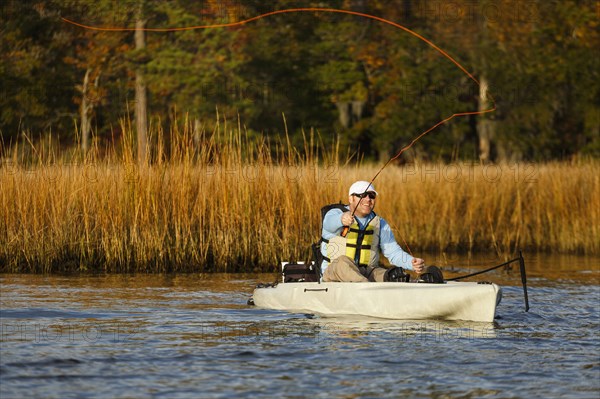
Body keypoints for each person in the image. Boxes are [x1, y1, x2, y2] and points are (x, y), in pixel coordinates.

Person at [320, 180, 426, 282]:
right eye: (362, 195)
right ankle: (368, 288)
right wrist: (342, 219)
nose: (368, 199)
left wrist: (411, 263)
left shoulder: (380, 223)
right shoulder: (334, 214)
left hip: (366, 272)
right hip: (334, 273)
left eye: (371, 196)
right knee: (343, 262)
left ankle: (397, 284)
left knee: (390, 275)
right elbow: (328, 224)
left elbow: (393, 252)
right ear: (351, 198)